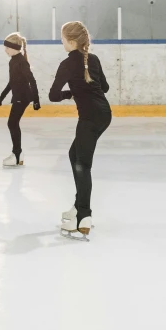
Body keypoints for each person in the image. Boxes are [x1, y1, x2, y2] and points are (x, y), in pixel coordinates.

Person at [49, 21, 112, 241]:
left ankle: (84, 215)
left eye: (63, 39)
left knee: (82, 164)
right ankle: (78, 207)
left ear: (72, 41)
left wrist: (70, 93)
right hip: (104, 114)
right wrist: (84, 89)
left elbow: (53, 95)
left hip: (89, 118)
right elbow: (104, 88)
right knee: (74, 156)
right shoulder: (92, 59)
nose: (62, 42)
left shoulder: (66, 64)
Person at [0, 32, 40, 167]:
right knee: (12, 123)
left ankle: (17, 154)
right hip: (19, 96)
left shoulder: (21, 62)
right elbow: (12, 82)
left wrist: (36, 100)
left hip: (23, 97)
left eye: (7, 47)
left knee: (12, 123)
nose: (5, 50)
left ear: (14, 48)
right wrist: (1, 98)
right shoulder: (13, 61)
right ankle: (18, 154)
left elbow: (32, 80)